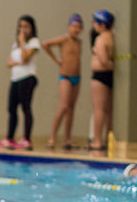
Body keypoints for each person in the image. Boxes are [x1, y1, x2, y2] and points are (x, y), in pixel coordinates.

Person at [0, 15, 41, 150]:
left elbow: (25, 57)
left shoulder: (33, 42)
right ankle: (9, 138)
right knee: (11, 108)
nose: (22, 30)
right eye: (21, 26)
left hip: (27, 77)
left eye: (26, 27)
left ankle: (27, 139)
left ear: (32, 28)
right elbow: (9, 63)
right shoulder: (15, 44)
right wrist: (19, 58)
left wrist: (23, 43)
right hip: (15, 78)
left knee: (25, 107)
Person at [41, 14, 83, 150]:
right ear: (68, 27)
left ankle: (67, 139)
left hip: (77, 78)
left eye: (78, 27)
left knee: (71, 109)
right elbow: (45, 44)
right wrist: (56, 59)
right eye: (74, 26)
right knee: (64, 106)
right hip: (65, 76)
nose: (76, 30)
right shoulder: (64, 39)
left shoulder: (79, 42)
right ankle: (52, 137)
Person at [89, 10, 115, 151]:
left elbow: (104, 61)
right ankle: (107, 140)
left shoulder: (100, 39)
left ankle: (97, 141)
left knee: (99, 109)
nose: (93, 25)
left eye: (95, 22)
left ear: (102, 25)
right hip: (110, 77)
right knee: (109, 110)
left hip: (100, 77)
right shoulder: (113, 37)